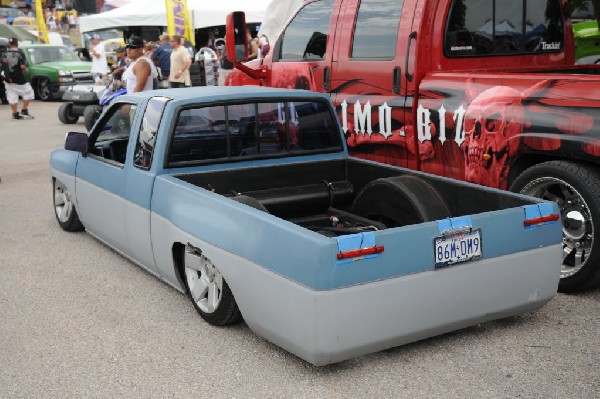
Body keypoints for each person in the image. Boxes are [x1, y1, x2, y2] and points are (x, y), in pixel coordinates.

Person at [1, 38, 35, 120]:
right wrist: (26, 69)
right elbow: (22, 66)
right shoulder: (19, 54)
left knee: (12, 95)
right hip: (19, 78)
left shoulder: (3, 54)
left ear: (8, 45)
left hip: (8, 78)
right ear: (17, 44)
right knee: (28, 92)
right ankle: (24, 110)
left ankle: (15, 113)